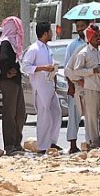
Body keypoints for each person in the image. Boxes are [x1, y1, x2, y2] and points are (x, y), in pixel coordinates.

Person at [22, 22, 62, 155]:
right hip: (40, 87)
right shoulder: (34, 49)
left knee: (56, 112)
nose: (52, 33)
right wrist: (43, 68)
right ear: (45, 33)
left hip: (50, 85)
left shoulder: (47, 48)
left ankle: (52, 141)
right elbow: (25, 67)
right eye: (50, 31)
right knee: (44, 116)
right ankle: (43, 145)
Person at [72, 24, 100, 149]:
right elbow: (77, 71)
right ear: (90, 37)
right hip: (91, 88)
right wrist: (92, 71)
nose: (99, 38)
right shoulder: (83, 53)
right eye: (96, 36)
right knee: (91, 117)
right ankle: (93, 141)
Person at [0, 17, 26, 155]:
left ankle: (17, 143)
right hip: (8, 82)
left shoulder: (15, 44)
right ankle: (9, 145)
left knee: (20, 113)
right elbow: (3, 60)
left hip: (16, 82)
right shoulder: (6, 43)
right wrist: (7, 72)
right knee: (9, 114)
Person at [63, 19, 89, 154]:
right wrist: (70, 86)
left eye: (82, 26)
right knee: (74, 115)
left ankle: (90, 142)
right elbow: (68, 67)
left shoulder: (94, 44)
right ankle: (73, 144)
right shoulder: (73, 46)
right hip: (76, 85)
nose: (80, 29)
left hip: (91, 86)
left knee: (92, 115)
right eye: (78, 26)